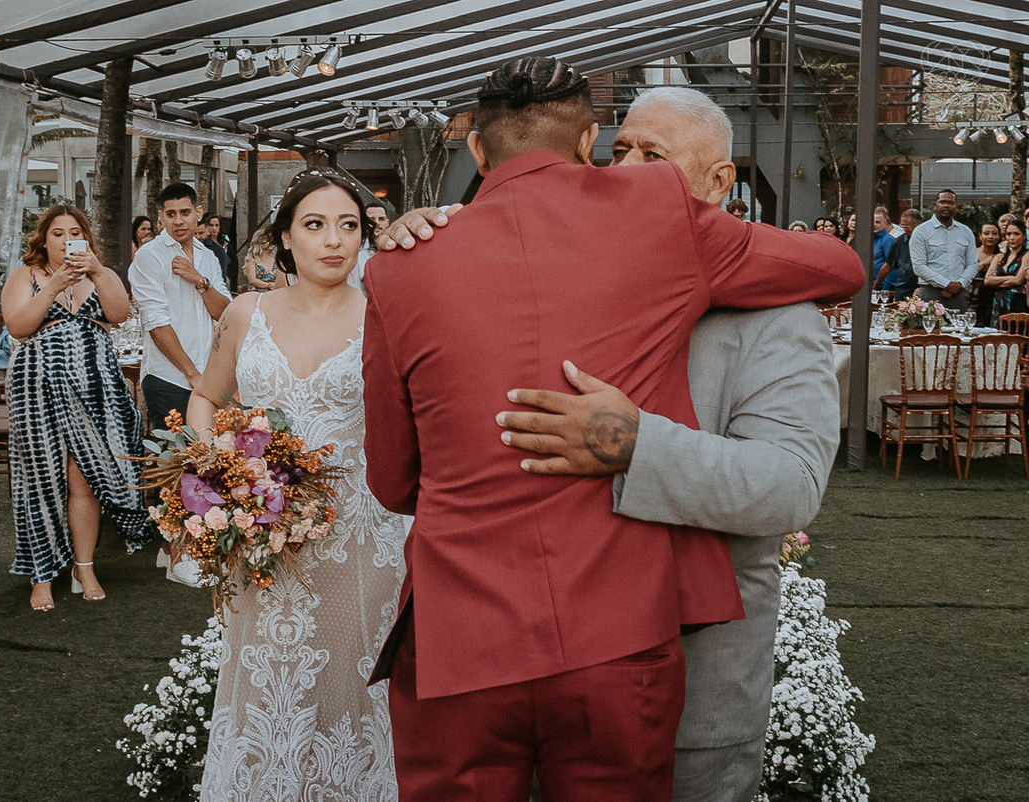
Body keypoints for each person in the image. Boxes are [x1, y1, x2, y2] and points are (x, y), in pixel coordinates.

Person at [361, 58, 863, 801]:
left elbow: (394, 480)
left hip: (463, 634)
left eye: (651, 158)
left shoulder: (402, 267)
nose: (630, 170)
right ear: (589, 140)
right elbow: (842, 266)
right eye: (619, 150)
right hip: (618, 629)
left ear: (475, 152)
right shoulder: (654, 215)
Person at [186, 170, 405, 801]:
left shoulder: (386, 317)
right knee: (267, 679)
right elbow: (205, 397)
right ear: (284, 238)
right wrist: (219, 476)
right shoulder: (246, 313)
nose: (334, 240)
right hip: (265, 540)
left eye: (349, 226)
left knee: (353, 682)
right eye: (315, 225)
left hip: (362, 537)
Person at [2, 205, 150, 611]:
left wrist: (98, 271)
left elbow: (118, 315)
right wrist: (52, 287)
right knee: (41, 481)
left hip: (97, 389)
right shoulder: (26, 276)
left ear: (86, 237)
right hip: (38, 390)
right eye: (57, 233)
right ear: (43, 239)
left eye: (74, 232)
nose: (66, 241)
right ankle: (43, 574)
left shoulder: (101, 273)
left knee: (85, 481)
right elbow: (17, 326)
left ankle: (83, 567)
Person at [129, 183, 231, 435]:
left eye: (185, 212)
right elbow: (156, 323)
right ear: (161, 217)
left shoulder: (207, 256)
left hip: (208, 376)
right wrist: (192, 374)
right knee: (172, 466)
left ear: (198, 212)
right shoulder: (149, 256)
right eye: (171, 214)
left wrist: (200, 281)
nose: (178, 221)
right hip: (168, 378)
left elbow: (224, 313)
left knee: (209, 463)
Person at [910, 189, 978, 312]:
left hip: (959, 294)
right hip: (930, 293)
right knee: (930, 330)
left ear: (956, 206)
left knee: (959, 330)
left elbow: (973, 264)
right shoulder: (921, 231)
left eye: (951, 203)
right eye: (942, 202)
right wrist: (947, 284)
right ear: (935, 205)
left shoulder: (965, 232)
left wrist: (960, 284)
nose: (947, 205)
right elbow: (919, 266)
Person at [875, 208, 923, 303]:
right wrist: (877, 284)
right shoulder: (899, 241)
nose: (904, 230)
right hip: (903, 289)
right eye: (903, 226)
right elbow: (888, 266)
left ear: (918, 224)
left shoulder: (927, 240)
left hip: (923, 288)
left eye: (907, 227)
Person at [985, 218, 1029, 316]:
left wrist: (996, 281)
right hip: (998, 302)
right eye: (1009, 234)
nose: (1012, 238)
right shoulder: (999, 257)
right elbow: (987, 280)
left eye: (1016, 234)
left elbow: (1018, 280)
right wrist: (1010, 278)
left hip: (1017, 302)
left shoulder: (1026, 255)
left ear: (1024, 236)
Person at [975, 222, 1002, 324]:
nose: (990, 236)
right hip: (973, 297)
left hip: (994, 297)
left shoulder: (1002, 256)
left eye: (994, 233)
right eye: (986, 233)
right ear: (980, 236)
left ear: (999, 236)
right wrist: (985, 263)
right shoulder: (972, 253)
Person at [870, 209, 895, 288]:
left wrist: (884, 286)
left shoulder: (887, 240)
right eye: (872, 222)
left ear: (885, 223)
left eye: (878, 222)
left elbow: (890, 266)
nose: (874, 224)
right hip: (869, 283)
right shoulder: (869, 239)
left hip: (881, 285)